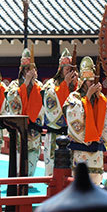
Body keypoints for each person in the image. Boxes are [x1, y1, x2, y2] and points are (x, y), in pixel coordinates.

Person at [64, 56, 107, 185]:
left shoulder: (100, 98)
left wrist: (100, 99)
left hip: (96, 149)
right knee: (80, 182)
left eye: (93, 81)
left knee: (96, 181)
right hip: (81, 147)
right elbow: (73, 115)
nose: (91, 84)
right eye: (88, 81)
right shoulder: (74, 97)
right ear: (82, 81)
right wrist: (87, 97)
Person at [6, 48, 44, 177]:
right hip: (20, 125)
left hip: (34, 125)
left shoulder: (39, 85)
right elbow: (11, 99)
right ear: (22, 70)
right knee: (20, 150)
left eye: (31, 69)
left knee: (33, 151)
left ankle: (30, 175)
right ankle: (19, 174)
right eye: (27, 69)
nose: (30, 72)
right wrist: (26, 82)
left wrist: (32, 84)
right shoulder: (14, 84)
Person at [42, 48, 78, 176]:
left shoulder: (76, 85)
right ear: (60, 69)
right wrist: (65, 84)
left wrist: (75, 86)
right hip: (55, 133)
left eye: (71, 69)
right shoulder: (50, 85)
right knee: (53, 167)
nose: (69, 71)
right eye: (67, 68)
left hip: (71, 134)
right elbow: (52, 108)